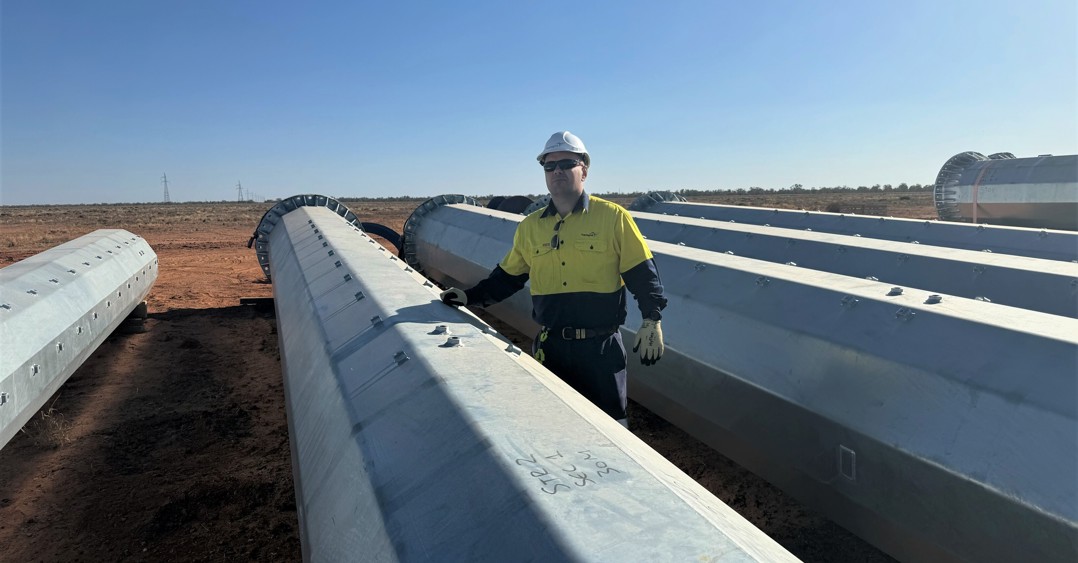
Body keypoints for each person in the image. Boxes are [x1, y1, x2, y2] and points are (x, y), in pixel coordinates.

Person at [439, 131, 667, 429]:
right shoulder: (531, 228)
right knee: (556, 428)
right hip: (552, 346)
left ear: (583, 170)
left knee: (612, 430)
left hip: (600, 350)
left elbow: (642, 275)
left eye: (566, 163)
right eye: (549, 166)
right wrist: (470, 297)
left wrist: (652, 318)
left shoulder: (613, 218)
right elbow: (507, 278)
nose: (557, 171)